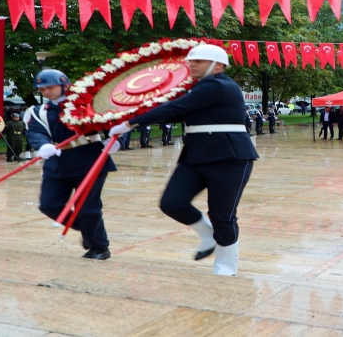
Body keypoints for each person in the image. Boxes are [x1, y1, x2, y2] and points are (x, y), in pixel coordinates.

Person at [109, 44, 259, 276]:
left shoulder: (218, 86)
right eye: (191, 60)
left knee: (223, 215)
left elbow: (175, 107)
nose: (191, 64)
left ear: (218, 65)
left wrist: (130, 123)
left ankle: (226, 265)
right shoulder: (200, 89)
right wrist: (130, 112)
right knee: (172, 202)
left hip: (229, 157)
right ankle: (207, 234)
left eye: (199, 60)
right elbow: (176, 110)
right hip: (197, 155)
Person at [26, 68, 117, 260]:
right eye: (42, 90)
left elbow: (114, 121)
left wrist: (115, 141)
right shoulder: (39, 111)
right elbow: (35, 131)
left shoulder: (87, 103)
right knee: (49, 205)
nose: (46, 92)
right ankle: (87, 229)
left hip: (90, 160)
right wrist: (42, 145)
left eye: (50, 87)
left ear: (65, 85)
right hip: (57, 164)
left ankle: (99, 247)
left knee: (88, 209)